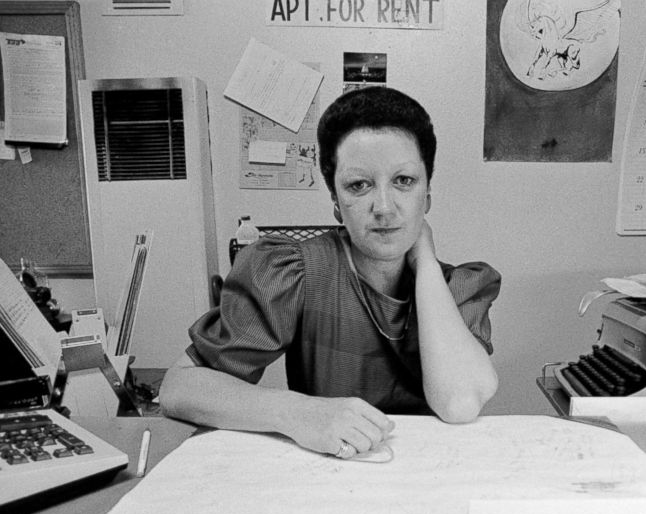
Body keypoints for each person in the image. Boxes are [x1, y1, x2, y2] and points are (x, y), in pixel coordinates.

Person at [159, 86, 501, 460]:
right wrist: (298, 412)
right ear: (337, 203)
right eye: (359, 185)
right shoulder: (296, 272)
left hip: (429, 482)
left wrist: (427, 264)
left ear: (428, 195)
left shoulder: (459, 288)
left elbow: (459, 404)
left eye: (404, 181)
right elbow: (178, 388)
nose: (384, 207)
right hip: (329, 476)